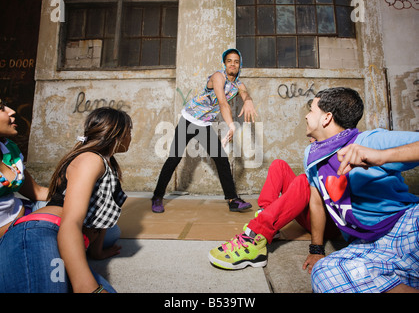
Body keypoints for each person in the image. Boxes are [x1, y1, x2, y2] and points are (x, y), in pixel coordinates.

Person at [0, 107, 132, 293]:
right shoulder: (90, 160)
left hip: (60, 237)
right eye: (130, 131)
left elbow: (100, 215)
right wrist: (86, 286)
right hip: (41, 232)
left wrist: (97, 252)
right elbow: (70, 223)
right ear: (119, 133)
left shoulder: (108, 164)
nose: (131, 137)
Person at [302, 87, 419, 293]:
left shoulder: (369, 141)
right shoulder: (311, 155)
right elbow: (317, 201)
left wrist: (382, 156)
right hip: (367, 245)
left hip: (405, 226)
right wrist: (316, 249)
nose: (306, 115)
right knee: (324, 273)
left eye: (311, 110)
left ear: (326, 118)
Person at [208, 138, 340, 270]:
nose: (307, 117)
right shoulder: (317, 148)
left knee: (303, 181)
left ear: (327, 119)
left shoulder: (346, 150)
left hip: (327, 225)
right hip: (311, 212)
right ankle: (266, 217)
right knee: (279, 165)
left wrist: (317, 249)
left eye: (311, 115)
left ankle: (255, 235)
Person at [152, 48, 258, 213]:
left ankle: (233, 200)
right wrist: (231, 125)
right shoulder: (218, 77)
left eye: (236, 62)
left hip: (205, 125)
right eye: (229, 61)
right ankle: (157, 197)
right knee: (174, 158)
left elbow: (244, 93)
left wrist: (248, 100)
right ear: (224, 63)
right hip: (189, 120)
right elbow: (222, 103)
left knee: (221, 160)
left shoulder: (238, 84)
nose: (233, 64)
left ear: (240, 65)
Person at [0, 99, 49, 238]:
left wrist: (76, 195)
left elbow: (37, 192)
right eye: (1, 108)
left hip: (23, 218)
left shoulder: (9, 148)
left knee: (110, 233)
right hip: (14, 233)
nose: (12, 111)